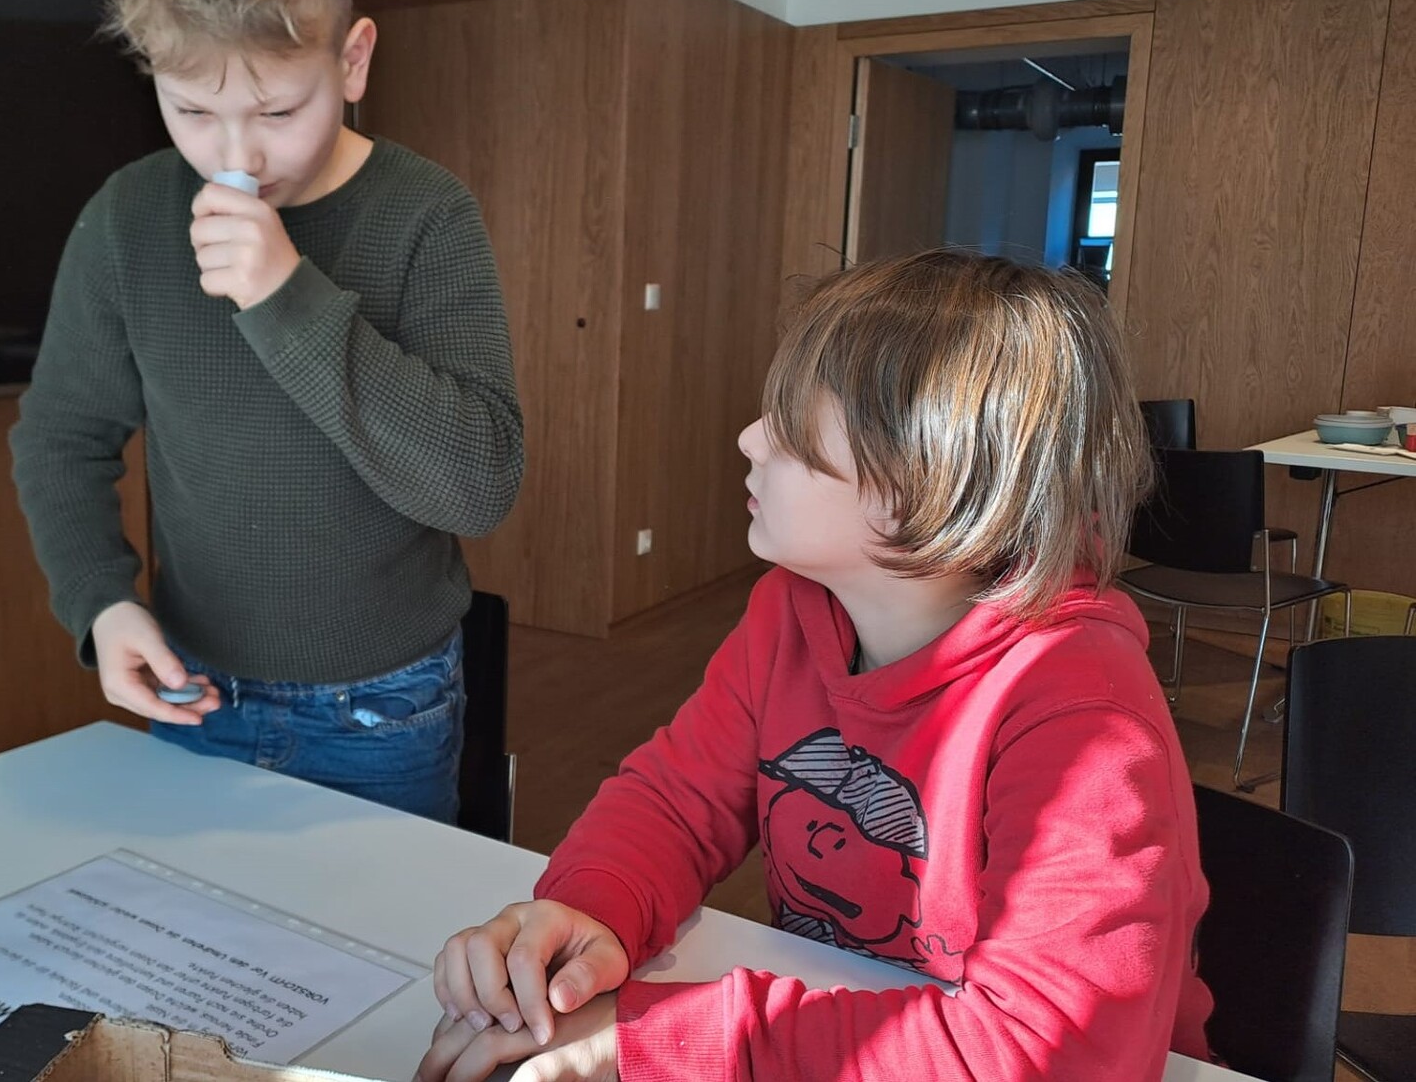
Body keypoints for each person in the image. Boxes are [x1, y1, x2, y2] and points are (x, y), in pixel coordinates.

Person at [417, 251, 1213, 1081]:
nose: (750, 439)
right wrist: (587, 913)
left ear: (929, 480)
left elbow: (1049, 1051)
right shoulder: (792, 614)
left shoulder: (1083, 714)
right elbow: (678, 802)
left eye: (794, 430)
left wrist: (655, 1038)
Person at [9, 0, 522, 821]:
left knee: (377, 912)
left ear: (353, 61)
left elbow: (480, 485)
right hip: (195, 686)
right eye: (192, 110)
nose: (235, 157)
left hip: (383, 704)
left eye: (278, 112)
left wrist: (285, 295)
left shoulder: (429, 214)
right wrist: (100, 601)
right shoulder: (127, 216)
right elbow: (61, 438)